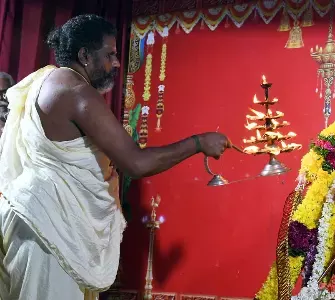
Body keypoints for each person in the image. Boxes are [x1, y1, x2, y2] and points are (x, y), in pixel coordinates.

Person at [0, 14, 230, 299]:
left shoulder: (46, 79)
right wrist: (198, 143)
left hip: (33, 216)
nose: (117, 63)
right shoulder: (77, 92)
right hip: (49, 226)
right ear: (84, 55)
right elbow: (136, 162)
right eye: (110, 54)